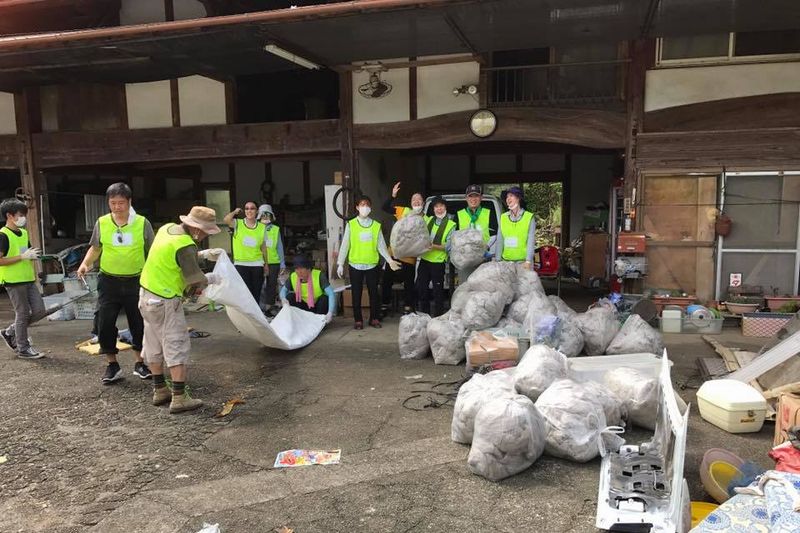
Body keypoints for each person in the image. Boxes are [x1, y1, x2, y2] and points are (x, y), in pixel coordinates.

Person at [138, 206, 221, 414]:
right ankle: (179, 397)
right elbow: (194, 282)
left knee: (153, 343)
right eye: (204, 232)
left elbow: (172, 257)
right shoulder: (185, 245)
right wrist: (210, 279)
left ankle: (159, 390)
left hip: (146, 296)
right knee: (176, 345)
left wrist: (201, 254)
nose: (203, 236)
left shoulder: (167, 229)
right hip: (166, 300)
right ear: (195, 229)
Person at [77, 183, 154, 384]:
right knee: (105, 322)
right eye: (113, 203)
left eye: (121, 203)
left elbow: (152, 252)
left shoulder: (142, 223)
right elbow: (95, 248)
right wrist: (85, 264)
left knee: (138, 322)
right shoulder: (102, 222)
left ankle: (140, 363)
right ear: (108, 203)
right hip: (108, 280)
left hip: (136, 280)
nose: (117, 207)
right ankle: (112, 365)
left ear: (129, 202)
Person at [337, 195, 401, 329]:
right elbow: (345, 245)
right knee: (356, 293)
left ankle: (374, 318)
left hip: (372, 264)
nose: (364, 207)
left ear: (370, 208)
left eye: (367, 205)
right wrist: (340, 263)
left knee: (374, 293)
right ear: (357, 207)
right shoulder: (351, 224)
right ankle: (358, 320)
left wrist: (389, 260)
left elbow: (381, 245)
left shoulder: (376, 226)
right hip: (355, 264)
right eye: (362, 205)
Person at [0, 198, 45, 359]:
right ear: (9, 216)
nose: (23, 218)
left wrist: (32, 256)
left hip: (28, 278)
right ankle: (23, 347)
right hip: (13, 281)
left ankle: (10, 331)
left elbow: (25, 254)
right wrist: (22, 256)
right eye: (20, 215)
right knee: (23, 313)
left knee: (40, 310)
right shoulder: (3, 235)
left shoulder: (23, 233)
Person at [382, 181, 423, 314]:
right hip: (394, 253)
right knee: (387, 279)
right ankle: (385, 304)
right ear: (410, 202)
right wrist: (392, 195)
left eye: (419, 199)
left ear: (423, 203)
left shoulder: (425, 218)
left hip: (409, 256)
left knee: (409, 283)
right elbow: (385, 207)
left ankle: (408, 306)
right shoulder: (403, 210)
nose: (416, 201)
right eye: (414, 199)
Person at [223, 201, 268, 305]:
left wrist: (266, 263)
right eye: (247, 208)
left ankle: (255, 316)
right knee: (244, 292)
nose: (249, 210)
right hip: (241, 264)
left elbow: (264, 247)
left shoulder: (262, 227)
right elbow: (226, 220)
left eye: (252, 208)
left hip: (257, 264)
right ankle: (246, 317)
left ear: (257, 211)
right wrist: (234, 212)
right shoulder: (237, 223)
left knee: (256, 292)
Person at [417, 196, 455, 317]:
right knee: (421, 289)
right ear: (433, 209)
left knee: (438, 291)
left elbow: (449, 246)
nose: (439, 209)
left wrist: (433, 246)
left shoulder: (451, 224)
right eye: (436, 207)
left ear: (445, 208)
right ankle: (424, 315)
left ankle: (439, 317)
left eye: (441, 206)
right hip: (424, 259)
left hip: (438, 262)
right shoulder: (428, 220)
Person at [279, 254, 336, 323]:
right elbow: (284, 290)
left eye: (301, 269)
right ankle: (296, 321)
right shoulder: (293, 276)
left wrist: (330, 312)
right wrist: (283, 298)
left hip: (317, 306)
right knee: (289, 297)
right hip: (303, 306)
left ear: (308, 269)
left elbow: (331, 293)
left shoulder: (319, 275)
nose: (299, 272)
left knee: (324, 299)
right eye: (296, 269)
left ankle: (320, 322)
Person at [455, 184, 492, 280]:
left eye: (476, 196)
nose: (473, 199)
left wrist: (486, 249)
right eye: (470, 196)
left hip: (484, 259)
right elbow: (454, 237)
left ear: (481, 198)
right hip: (465, 260)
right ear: (466, 198)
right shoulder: (459, 214)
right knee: (465, 287)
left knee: (483, 288)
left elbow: (495, 235)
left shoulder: (488, 213)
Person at [256, 204, 286, 316]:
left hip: (274, 261)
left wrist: (282, 263)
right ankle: (259, 308)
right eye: (263, 214)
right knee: (259, 285)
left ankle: (269, 308)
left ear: (271, 216)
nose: (265, 216)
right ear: (259, 216)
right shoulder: (255, 227)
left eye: (267, 214)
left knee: (271, 286)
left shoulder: (275, 229)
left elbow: (279, 247)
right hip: (259, 261)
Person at [496, 186, 536, 269]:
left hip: (524, 262)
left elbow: (531, 241)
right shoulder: (503, 217)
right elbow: (500, 239)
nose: (508, 199)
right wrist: (498, 260)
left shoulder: (529, 217)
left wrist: (528, 260)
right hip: (506, 262)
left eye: (511, 196)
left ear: (518, 198)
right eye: (507, 197)